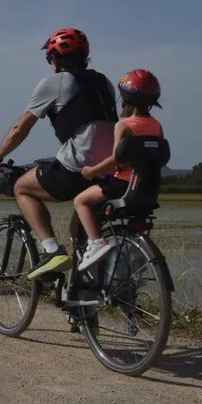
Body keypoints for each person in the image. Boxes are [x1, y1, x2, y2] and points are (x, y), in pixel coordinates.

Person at [0, 27, 118, 280]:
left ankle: (52, 251)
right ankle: (82, 297)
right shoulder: (104, 83)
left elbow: (20, 129)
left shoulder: (54, 83)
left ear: (53, 58)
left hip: (78, 167)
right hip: (109, 168)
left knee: (22, 187)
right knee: (80, 237)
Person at [74, 69, 165, 270]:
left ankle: (96, 244)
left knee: (81, 201)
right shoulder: (157, 126)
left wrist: (91, 170)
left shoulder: (123, 124)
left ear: (124, 96)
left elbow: (117, 159)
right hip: (146, 188)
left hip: (121, 185)